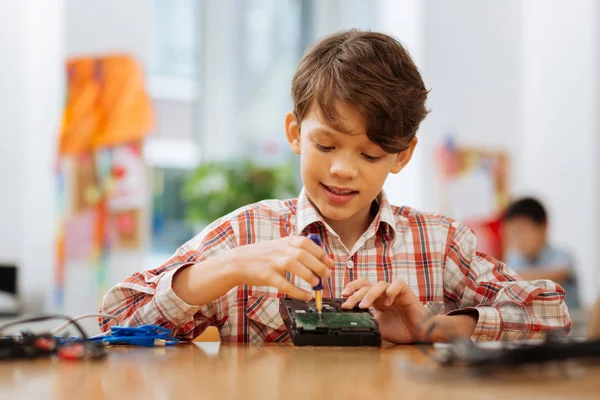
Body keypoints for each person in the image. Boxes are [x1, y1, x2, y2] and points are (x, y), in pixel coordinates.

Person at [99, 30, 571, 343]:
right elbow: (114, 320)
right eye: (325, 145)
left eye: (368, 155)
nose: (344, 170)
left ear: (402, 155)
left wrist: (433, 326)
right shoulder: (247, 233)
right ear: (294, 133)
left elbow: (551, 313)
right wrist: (228, 267)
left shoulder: (441, 243)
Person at [502, 197, 580, 310]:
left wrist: (507, 278)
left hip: (568, 324)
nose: (518, 239)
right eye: (513, 233)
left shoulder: (562, 256)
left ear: (544, 226)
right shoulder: (514, 258)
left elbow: (557, 275)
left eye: (522, 230)